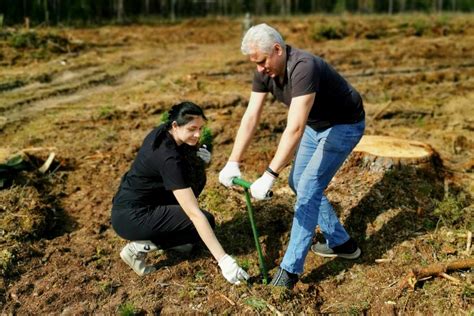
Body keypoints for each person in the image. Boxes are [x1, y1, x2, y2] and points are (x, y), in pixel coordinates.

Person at [218, 24, 365, 289]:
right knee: (298, 182)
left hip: (344, 125)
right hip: (316, 125)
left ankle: (289, 272)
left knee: (308, 188)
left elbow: (294, 127)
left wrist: (270, 174)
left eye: (262, 61)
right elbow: (251, 117)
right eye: (255, 63)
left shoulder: (303, 66)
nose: (260, 68)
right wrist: (233, 161)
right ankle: (343, 244)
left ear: (277, 49)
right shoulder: (264, 72)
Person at [111, 101, 248, 285]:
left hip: (135, 204)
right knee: (205, 221)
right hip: (133, 216)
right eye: (192, 129)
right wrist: (224, 260)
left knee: (194, 221)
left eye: (200, 128)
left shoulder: (163, 133)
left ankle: (174, 238)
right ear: (175, 125)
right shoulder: (168, 158)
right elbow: (194, 214)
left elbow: (186, 168)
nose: (198, 134)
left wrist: (198, 160)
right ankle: (137, 248)